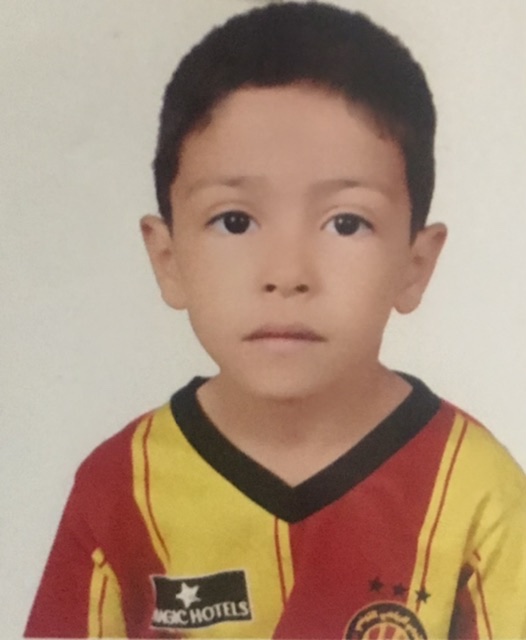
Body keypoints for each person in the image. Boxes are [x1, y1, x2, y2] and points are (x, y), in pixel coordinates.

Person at [25, 2, 526, 638]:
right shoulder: (120, 488)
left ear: (415, 264)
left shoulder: (476, 491)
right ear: (168, 259)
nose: (287, 273)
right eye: (234, 221)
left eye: (346, 223)